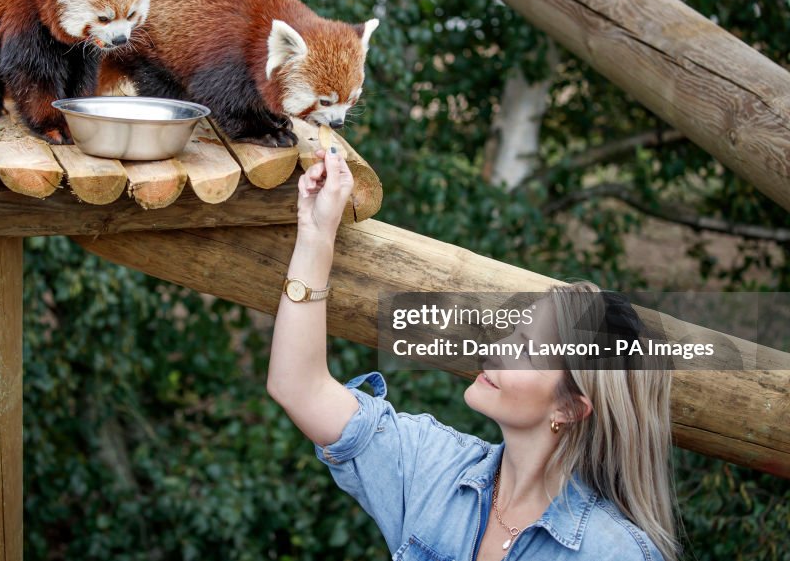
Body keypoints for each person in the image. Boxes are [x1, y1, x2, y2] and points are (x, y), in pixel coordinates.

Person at [266, 145, 680, 561]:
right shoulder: (435, 468)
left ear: (570, 408)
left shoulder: (613, 553)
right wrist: (316, 234)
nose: (497, 350)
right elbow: (301, 388)